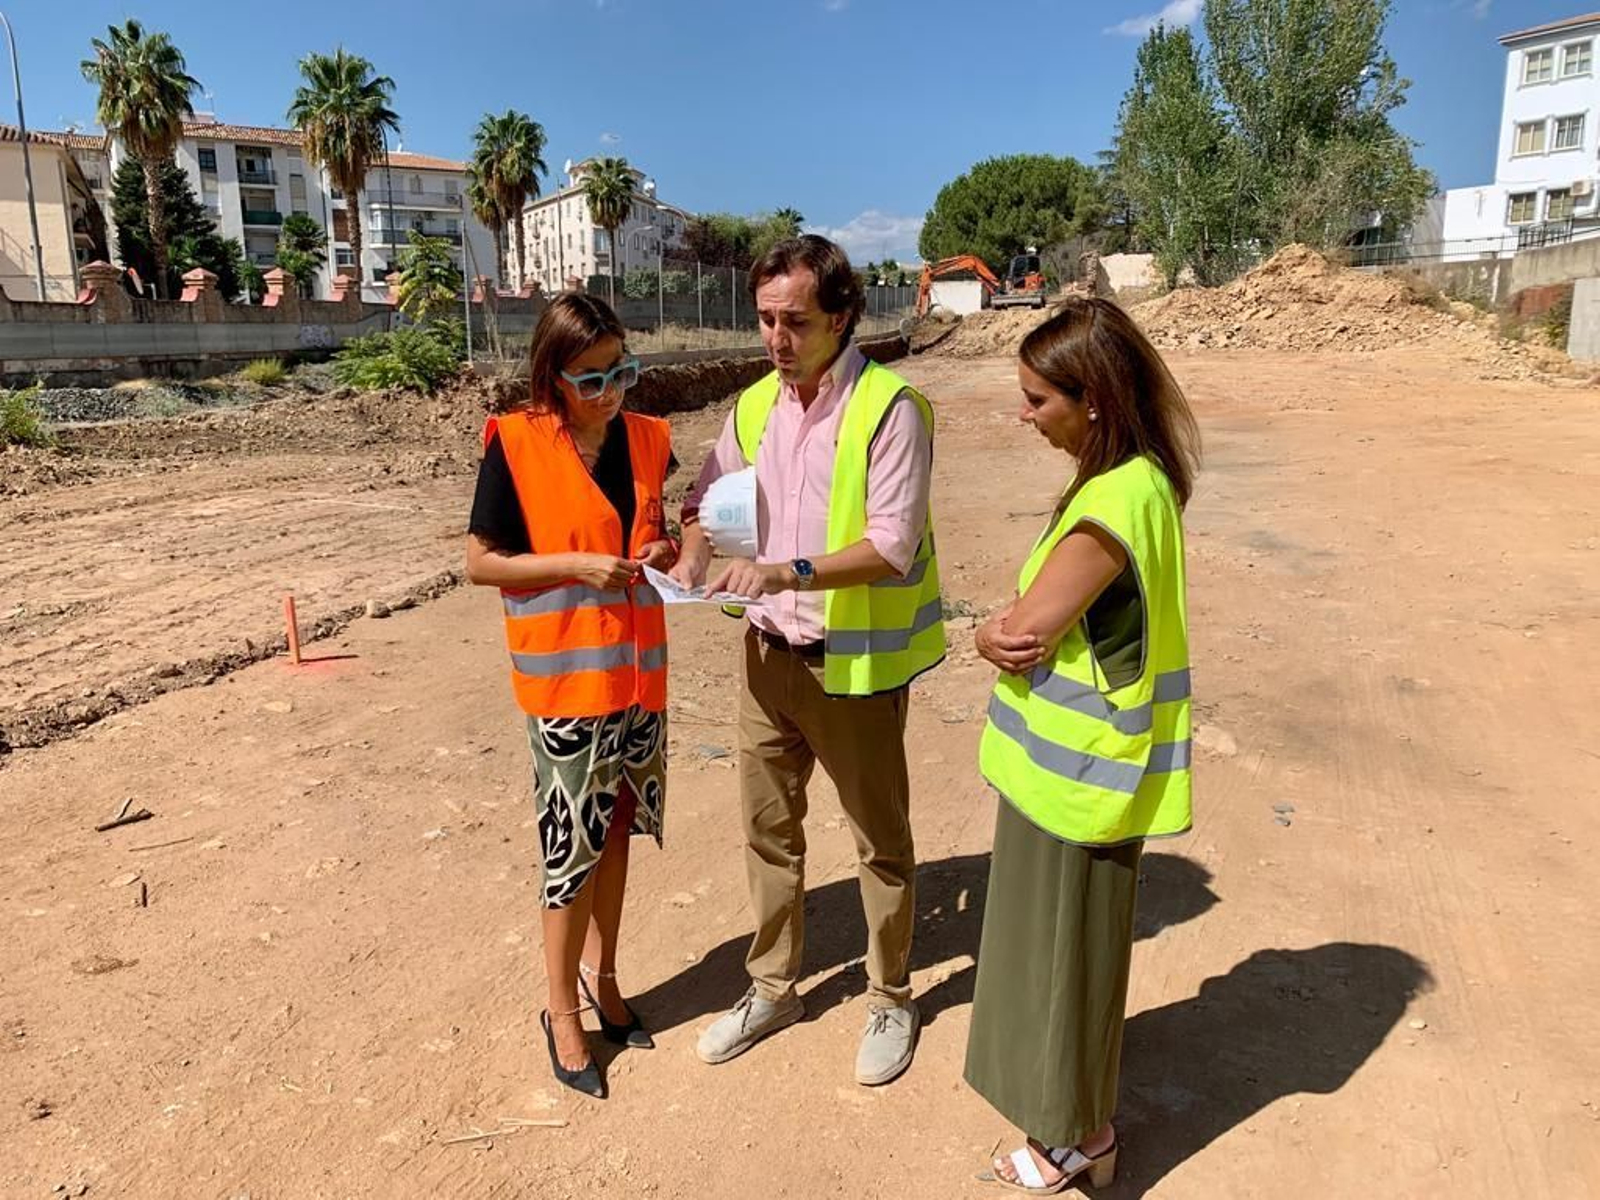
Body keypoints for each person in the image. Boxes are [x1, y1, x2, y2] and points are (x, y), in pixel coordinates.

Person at [670, 235, 945, 1087]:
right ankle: (771, 987)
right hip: (766, 655)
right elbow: (705, 500)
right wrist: (690, 554)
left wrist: (785, 570)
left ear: (842, 318)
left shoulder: (891, 409)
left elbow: (892, 545)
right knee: (767, 831)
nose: (776, 339)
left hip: (853, 663)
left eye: (795, 321)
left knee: (879, 842)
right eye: (764, 320)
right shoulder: (753, 407)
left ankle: (891, 996)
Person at [965, 298, 1200, 1193]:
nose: (1024, 417)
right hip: (1085, 780)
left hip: (1074, 788)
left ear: (1092, 398)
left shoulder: (1108, 507)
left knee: (1062, 970)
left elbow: (1026, 632)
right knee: (1075, 963)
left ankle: (1076, 1141)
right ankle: (1077, 1128)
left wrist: (988, 635)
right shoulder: (1143, 482)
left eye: (1036, 400)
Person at [465, 292, 677, 1100]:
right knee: (569, 850)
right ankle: (560, 1009)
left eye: (622, 371)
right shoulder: (516, 445)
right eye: (592, 379)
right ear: (552, 376)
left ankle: (605, 974)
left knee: (618, 831)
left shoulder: (649, 440)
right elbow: (482, 563)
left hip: (638, 680)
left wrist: (656, 545)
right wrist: (575, 566)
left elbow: (657, 533)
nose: (611, 391)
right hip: (565, 688)